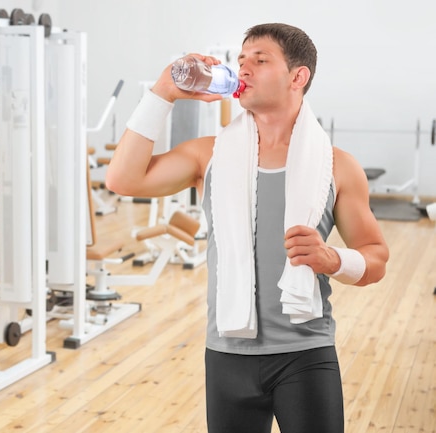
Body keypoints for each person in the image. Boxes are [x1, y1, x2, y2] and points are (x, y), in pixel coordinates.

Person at [105, 23, 389, 433]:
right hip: (226, 354)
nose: (244, 70)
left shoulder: (338, 166)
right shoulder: (209, 155)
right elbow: (122, 180)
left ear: (298, 76)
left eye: (259, 60)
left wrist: (333, 258)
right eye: (241, 61)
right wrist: (163, 92)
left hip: (305, 353)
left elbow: (376, 258)